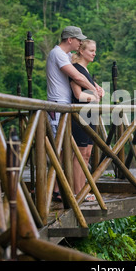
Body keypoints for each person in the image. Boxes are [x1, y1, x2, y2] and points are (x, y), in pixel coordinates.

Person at [46, 26, 102, 202]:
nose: (80, 43)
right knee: (60, 150)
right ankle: (56, 191)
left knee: (64, 151)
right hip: (58, 105)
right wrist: (94, 90)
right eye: (78, 40)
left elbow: (80, 70)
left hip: (66, 106)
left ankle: (56, 190)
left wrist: (95, 86)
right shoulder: (58, 54)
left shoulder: (66, 56)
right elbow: (77, 77)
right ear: (70, 39)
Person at [70, 40, 100, 201]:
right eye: (91, 50)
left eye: (95, 51)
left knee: (87, 153)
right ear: (82, 51)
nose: (94, 53)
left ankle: (82, 191)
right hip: (80, 114)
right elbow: (77, 95)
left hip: (91, 114)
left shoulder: (85, 70)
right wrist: (93, 96)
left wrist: (97, 90)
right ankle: (78, 192)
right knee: (81, 154)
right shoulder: (75, 69)